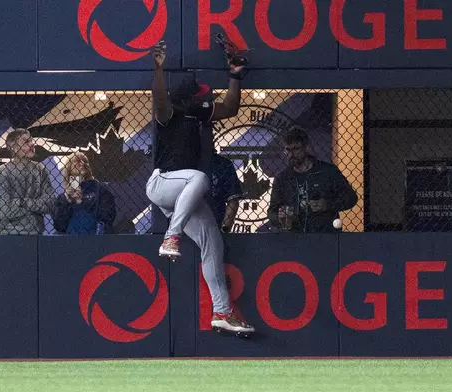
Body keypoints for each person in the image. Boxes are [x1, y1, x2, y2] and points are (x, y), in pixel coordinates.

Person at [145, 41, 254, 334]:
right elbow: (159, 101)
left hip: (184, 197)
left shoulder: (197, 113)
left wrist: (235, 75)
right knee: (199, 178)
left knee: (214, 243)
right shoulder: (169, 114)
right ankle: (171, 237)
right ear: (188, 98)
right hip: (163, 184)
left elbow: (230, 107)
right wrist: (158, 69)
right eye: (201, 95)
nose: (206, 99)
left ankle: (222, 312)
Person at [268, 127, 358, 233]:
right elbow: (272, 212)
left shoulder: (327, 171)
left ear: (306, 147)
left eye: (296, 149)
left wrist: (327, 205)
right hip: (294, 238)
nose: (291, 154)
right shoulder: (282, 178)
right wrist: (280, 218)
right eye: (287, 150)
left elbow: (351, 198)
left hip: (324, 235)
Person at [0, 128, 55, 235]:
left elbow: (50, 204)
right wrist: (36, 205)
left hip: (36, 233)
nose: (32, 144)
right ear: (14, 148)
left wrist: (21, 202)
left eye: (31, 140)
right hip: (9, 234)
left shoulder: (40, 169)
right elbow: (4, 211)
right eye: (26, 142)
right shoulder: (1, 173)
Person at [53, 152, 116, 234]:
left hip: (96, 240)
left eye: (85, 161)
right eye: (77, 161)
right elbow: (59, 226)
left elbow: (108, 217)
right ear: (69, 168)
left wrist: (82, 203)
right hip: (71, 242)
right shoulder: (64, 197)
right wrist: (67, 202)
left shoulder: (100, 189)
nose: (82, 163)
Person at [210, 149, 243, 233]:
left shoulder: (223, 164)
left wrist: (225, 229)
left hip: (216, 222)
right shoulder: (189, 163)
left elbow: (233, 201)